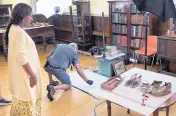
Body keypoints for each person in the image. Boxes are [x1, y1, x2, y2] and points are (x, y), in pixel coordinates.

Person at [5, 3, 43, 116]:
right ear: (23, 17)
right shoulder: (19, 32)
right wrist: (32, 74)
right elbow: (21, 57)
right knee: (27, 98)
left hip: (20, 73)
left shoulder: (13, 28)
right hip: (25, 74)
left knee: (20, 97)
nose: (31, 18)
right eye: (30, 16)